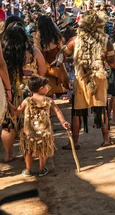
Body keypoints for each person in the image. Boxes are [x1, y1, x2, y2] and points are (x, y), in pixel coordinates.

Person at [62, 9, 115, 149]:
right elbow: (113, 63)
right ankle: (106, 139)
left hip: (81, 78)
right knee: (101, 108)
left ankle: (74, 142)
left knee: (77, 111)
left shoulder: (74, 41)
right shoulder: (106, 41)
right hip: (99, 76)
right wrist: (102, 58)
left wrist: (74, 59)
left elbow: (62, 56)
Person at [8, 75, 70, 177]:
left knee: (28, 150)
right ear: (41, 89)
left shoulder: (26, 101)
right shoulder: (48, 100)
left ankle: (28, 169)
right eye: (47, 86)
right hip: (44, 132)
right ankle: (42, 169)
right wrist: (63, 122)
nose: (48, 88)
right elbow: (58, 111)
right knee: (43, 150)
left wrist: (9, 104)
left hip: (29, 132)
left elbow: (16, 111)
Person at [1, 24, 46, 163]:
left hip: (10, 92)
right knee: (32, 123)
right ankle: (29, 153)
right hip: (31, 93)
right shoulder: (34, 52)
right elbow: (43, 72)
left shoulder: (4, 52)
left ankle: (8, 154)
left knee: (9, 124)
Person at [34, 15, 70, 98]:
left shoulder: (38, 36)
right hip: (57, 66)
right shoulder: (57, 36)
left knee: (45, 91)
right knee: (53, 89)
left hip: (44, 66)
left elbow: (37, 50)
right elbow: (61, 51)